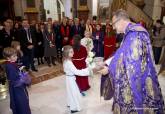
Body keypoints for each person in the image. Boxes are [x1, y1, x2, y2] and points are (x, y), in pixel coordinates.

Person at [99, 9, 165, 113]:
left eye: (113, 24)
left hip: (135, 83)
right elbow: (122, 53)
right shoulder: (131, 32)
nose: (113, 27)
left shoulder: (134, 35)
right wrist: (107, 62)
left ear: (120, 20)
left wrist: (109, 69)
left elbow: (131, 63)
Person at [63, 45, 92, 113]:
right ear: (67, 53)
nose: (73, 53)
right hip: (70, 79)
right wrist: (88, 70)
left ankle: (70, 104)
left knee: (70, 92)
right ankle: (73, 108)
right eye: (71, 52)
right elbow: (77, 72)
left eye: (72, 51)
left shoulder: (66, 60)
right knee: (74, 93)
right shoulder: (69, 63)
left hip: (68, 78)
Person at [3, 47, 31, 114]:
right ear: (8, 58)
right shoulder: (9, 67)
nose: (16, 57)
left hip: (17, 86)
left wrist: (20, 70)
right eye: (14, 56)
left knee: (22, 101)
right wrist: (24, 77)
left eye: (16, 55)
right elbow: (15, 81)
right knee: (21, 102)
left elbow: (16, 73)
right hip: (17, 88)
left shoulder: (11, 63)